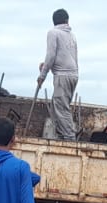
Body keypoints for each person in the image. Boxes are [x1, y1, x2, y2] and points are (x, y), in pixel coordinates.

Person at [37, 9, 78, 141]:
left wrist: (42, 75)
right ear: (67, 20)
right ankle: (62, 136)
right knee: (58, 107)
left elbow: (51, 55)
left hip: (62, 75)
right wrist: (46, 65)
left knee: (61, 109)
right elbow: (64, 56)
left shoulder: (53, 33)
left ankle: (70, 139)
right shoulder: (71, 35)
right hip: (73, 75)